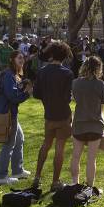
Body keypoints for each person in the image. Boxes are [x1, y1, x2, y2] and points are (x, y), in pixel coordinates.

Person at [33, 41, 75, 192]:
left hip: (49, 114)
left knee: (46, 144)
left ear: (51, 54)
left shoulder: (42, 71)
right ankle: (55, 181)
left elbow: (36, 94)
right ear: (64, 56)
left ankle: (37, 177)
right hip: (63, 115)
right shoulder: (67, 73)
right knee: (59, 148)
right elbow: (67, 98)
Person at [70, 56, 104, 198]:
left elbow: (75, 99)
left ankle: (75, 184)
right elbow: (102, 106)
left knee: (76, 156)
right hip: (95, 125)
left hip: (79, 123)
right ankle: (89, 188)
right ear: (98, 68)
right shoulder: (100, 84)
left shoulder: (75, 83)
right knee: (91, 159)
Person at [0, 51, 33, 185]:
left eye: (23, 58)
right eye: (19, 58)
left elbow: (14, 93)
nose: (22, 60)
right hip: (7, 113)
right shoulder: (8, 75)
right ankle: (0, 175)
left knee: (19, 139)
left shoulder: (14, 74)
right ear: (12, 59)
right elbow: (13, 96)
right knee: (9, 143)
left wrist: (23, 89)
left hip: (11, 112)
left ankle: (17, 170)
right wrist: (26, 93)